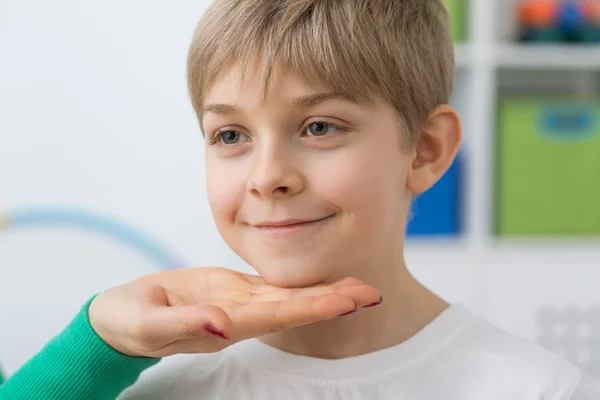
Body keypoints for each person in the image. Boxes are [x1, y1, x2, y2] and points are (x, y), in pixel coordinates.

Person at [1, 0, 599, 399]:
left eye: (319, 127)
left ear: (424, 150)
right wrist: (96, 344)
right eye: (230, 135)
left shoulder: (536, 389)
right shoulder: (147, 383)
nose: (267, 178)